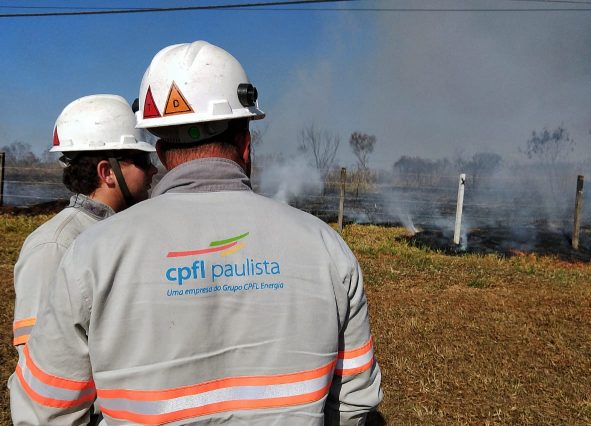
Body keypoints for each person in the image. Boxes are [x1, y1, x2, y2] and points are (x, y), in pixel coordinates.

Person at [10, 41, 382, 425]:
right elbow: (354, 402)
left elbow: (46, 413)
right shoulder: (325, 247)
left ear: (160, 151)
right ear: (245, 144)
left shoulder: (92, 255)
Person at [11, 94, 157, 352]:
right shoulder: (54, 246)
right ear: (107, 172)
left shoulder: (127, 231)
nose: (153, 170)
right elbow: (38, 353)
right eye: (142, 161)